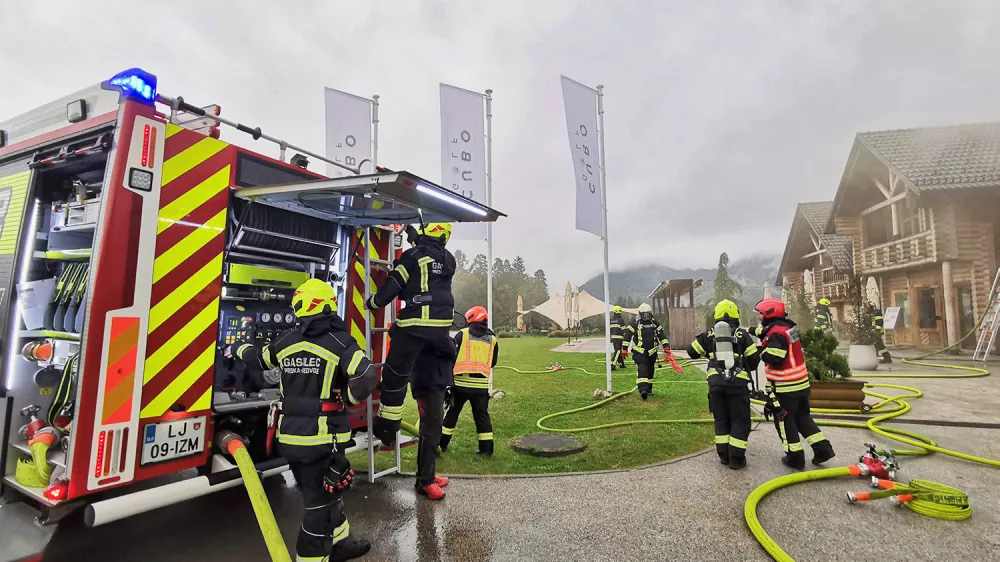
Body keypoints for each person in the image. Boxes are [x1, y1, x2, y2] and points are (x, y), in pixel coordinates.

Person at [228, 278, 375, 562]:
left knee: (326, 493)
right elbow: (366, 375)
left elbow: (258, 358)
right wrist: (348, 398)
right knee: (318, 506)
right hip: (323, 440)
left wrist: (236, 349)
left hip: (291, 438)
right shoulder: (340, 342)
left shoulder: (286, 341)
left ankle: (341, 542)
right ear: (329, 305)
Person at [366, 223, 458, 449]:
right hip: (440, 329)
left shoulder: (412, 257)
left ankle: (387, 429)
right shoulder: (448, 259)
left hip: (414, 326)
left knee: (395, 374)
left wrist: (373, 303)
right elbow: (428, 256)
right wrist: (413, 236)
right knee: (430, 378)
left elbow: (393, 286)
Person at [754, 298, 836, 470]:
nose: (759, 318)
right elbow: (768, 333)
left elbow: (775, 357)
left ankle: (795, 457)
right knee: (803, 418)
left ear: (770, 314)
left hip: (785, 386)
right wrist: (752, 331)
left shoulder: (776, 334)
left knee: (785, 421)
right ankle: (823, 449)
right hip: (801, 385)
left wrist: (760, 351)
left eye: (761, 314)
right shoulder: (787, 327)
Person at [686, 300, 760, 470]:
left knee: (720, 419)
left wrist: (708, 349)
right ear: (736, 315)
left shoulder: (710, 334)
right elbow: (755, 361)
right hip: (737, 385)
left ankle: (724, 457)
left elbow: (691, 352)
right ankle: (736, 459)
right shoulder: (742, 335)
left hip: (715, 385)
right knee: (739, 420)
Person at [441, 306, 499, 457]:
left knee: (452, 414)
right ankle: (486, 450)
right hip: (480, 387)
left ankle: (441, 445)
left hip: (460, 385)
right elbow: (492, 362)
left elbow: (451, 355)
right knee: (482, 417)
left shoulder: (462, 334)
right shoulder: (493, 339)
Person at [410, 337, 456, 500]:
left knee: (428, 431)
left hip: (434, 381)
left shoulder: (434, 324)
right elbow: (449, 348)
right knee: (431, 432)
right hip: (428, 383)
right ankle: (425, 481)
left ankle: (425, 475)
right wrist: (450, 344)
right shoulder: (430, 325)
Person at [626, 303, 673, 400]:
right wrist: (623, 349)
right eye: (644, 314)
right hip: (639, 352)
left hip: (652, 352)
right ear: (640, 313)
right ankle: (643, 390)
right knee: (642, 369)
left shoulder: (655, 323)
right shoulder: (634, 322)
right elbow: (627, 335)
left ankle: (649, 389)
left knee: (651, 370)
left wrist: (666, 346)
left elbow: (661, 335)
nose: (646, 316)